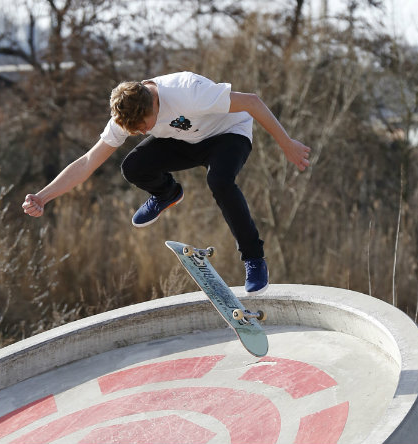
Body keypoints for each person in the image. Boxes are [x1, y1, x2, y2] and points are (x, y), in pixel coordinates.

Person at [22, 72, 311, 294]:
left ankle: (254, 259)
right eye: (132, 129)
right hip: (185, 141)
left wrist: (286, 144)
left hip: (228, 134)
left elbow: (251, 102)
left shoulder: (188, 92)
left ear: (155, 102)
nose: (139, 132)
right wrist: (44, 197)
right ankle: (167, 193)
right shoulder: (128, 116)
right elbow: (87, 161)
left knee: (219, 181)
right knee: (132, 166)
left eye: (144, 125)